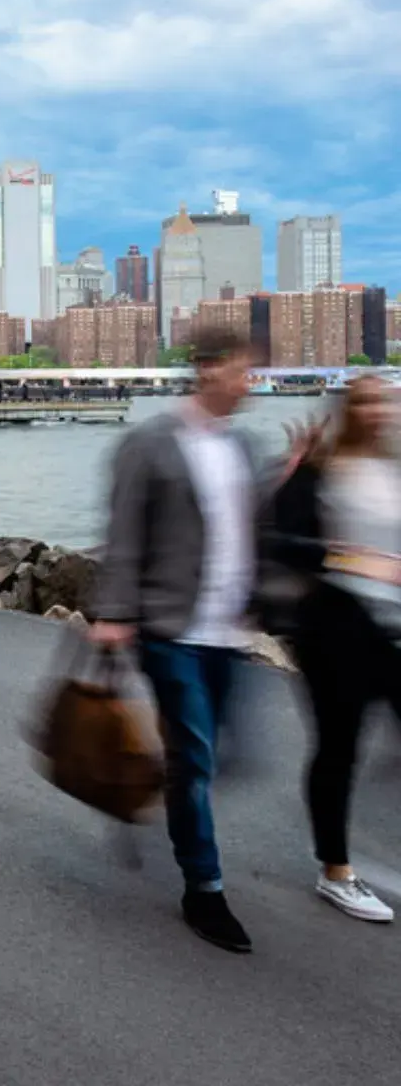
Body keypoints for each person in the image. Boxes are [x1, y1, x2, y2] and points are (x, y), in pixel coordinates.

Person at [91, 330, 268, 953]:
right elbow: (123, 530)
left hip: (228, 631)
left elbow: (250, 527)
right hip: (171, 628)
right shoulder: (151, 443)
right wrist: (112, 613)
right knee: (195, 761)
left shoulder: (246, 446)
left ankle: (159, 789)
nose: (252, 384)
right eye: (244, 372)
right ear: (209, 370)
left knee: (217, 757)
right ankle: (205, 890)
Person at [268, 376, 399, 923]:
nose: (376, 410)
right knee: (339, 749)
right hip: (335, 630)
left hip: (393, 630)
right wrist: (349, 559)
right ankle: (336, 871)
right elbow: (282, 541)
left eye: (383, 400)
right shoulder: (323, 468)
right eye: (363, 401)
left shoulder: (393, 470)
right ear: (348, 409)